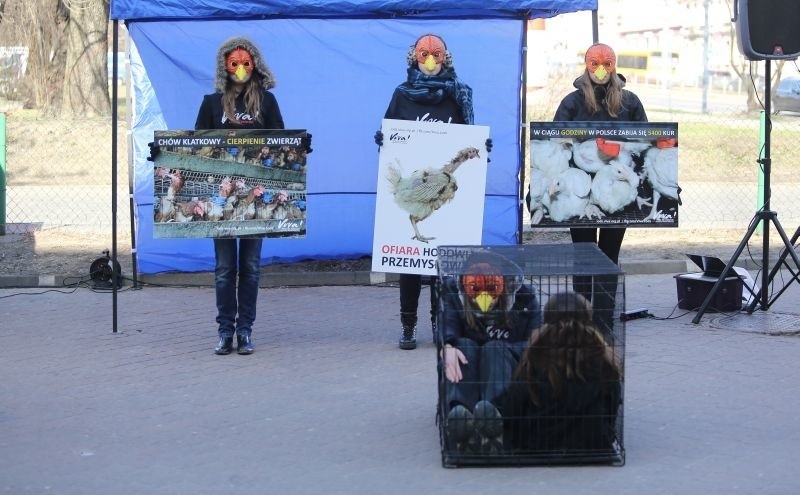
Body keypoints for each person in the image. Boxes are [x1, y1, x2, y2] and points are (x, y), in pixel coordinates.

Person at [377, 33, 479, 350]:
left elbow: (470, 132)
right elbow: (389, 131)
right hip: (415, 185)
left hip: (442, 192)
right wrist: (382, 139)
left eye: (436, 54)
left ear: (445, 57)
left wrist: (481, 146)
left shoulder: (460, 95)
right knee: (409, 264)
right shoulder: (402, 95)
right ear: (415, 58)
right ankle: (409, 325)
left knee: (440, 264)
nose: (431, 60)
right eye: (424, 55)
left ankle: (440, 323)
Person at [195, 35, 285, 355]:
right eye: (234, 64)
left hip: (255, 199)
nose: (241, 70)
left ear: (255, 64)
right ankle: (224, 331)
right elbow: (196, 148)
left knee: (250, 266)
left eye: (246, 63)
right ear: (225, 65)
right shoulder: (210, 104)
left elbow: (282, 143)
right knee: (223, 269)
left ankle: (245, 330)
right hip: (221, 198)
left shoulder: (268, 103)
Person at [552, 42, 647, 333]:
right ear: (587, 65)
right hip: (579, 190)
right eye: (596, 64)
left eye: (607, 64)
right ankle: (581, 317)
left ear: (614, 65)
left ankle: (603, 319)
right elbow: (553, 143)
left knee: (608, 255)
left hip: (615, 191)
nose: (602, 71)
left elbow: (646, 142)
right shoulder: (571, 102)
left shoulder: (630, 101)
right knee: (583, 254)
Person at [440, 251, 541, 454]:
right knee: (463, 345)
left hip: (507, 364)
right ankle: (461, 417)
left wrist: (503, 349)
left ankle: (494, 415)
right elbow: (446, 324)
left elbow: (536, 341)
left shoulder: (525, 295)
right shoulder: (452, 290)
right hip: (470, 361)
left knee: (493, 348)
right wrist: (448, 347)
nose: (484, 300)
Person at [498, 291, 623, 454]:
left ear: (548, 318)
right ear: (587, 317)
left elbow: (514, 409)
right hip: (593, 447)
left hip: (536, 447)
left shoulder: (534, 357)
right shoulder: (603, 359)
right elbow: (611, 408)